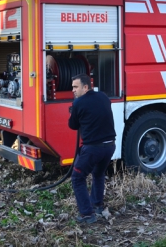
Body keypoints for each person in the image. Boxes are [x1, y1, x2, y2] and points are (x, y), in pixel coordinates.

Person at [68, 73, 116, 224]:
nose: (73, 91)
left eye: (76, 87)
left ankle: (87, 215)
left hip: (93, 149)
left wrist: (73, 111)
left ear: (86, 87)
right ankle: (97, 205)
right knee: (98, 173)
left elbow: (72, 125)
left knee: (77, 178)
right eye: (72, 87)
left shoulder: (78, 103)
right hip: (109, 146)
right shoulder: (103, 97)